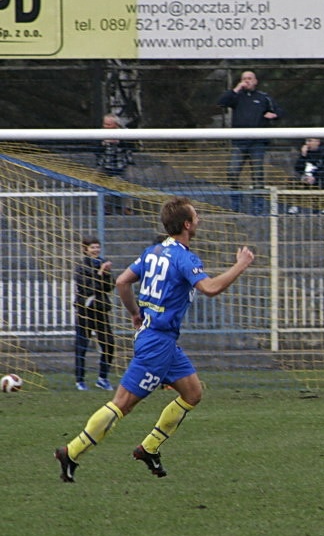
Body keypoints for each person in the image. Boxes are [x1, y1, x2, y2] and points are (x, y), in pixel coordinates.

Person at [54, 196, 255, 483]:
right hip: (156, 343)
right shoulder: (185, 257)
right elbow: (210, 288)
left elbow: (122, 281)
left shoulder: (152, 252)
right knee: (122, 403)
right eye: (196, 217)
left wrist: (135, 313)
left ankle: (149, 448)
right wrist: (241, 265)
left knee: (193, 393)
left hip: (159, 339)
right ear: (186, 224)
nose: (199, 220)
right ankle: (70, 452)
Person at [218, 70, 283, 214]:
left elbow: (279, 111)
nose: (247, 81)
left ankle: (257, 207)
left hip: (257, 143)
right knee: (232, 173)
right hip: (240, 143)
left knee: (257, 175)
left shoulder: (264, 97)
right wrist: (236, 89)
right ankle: (236, 202)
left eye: (250, 78)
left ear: (255, 81)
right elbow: (222, 102)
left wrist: (274, 115)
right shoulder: (236, 97)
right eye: (244, 78)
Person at [73, 235, 116, 392]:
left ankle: (102, 378)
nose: (96, 249)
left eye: (97, 246)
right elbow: (88, 289)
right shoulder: (81, 267)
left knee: (109, 344)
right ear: (86, 249)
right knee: (82, 347)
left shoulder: (103, 263)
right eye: (92, 247)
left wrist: (106, 274)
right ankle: (80, 381)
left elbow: (110, 287)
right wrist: (99, 274)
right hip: (85, 312)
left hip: (101, 311)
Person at [96, 113, 133, 215]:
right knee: (97, 178)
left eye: (108, 125)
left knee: (128, 180)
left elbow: (132, 146)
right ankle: (103, 207)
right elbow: (96, 150)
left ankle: (127, 208)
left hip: (122, 164)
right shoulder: (99, 134)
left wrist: (118, 141)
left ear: (116, 125)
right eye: (105, 124)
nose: (105, 127)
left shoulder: (125, 134)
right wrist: (103, 144)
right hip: (106, 164)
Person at [289, 138, 324, 215]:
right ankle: (295, 206)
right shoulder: (303, 152)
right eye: (306, 141)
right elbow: (298, 168)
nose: (307, 143)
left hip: (320, 176)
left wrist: (315, 177)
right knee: (295, 176)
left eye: (309, 141)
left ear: (317, 142)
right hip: (307, 176)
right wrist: (303, 155)